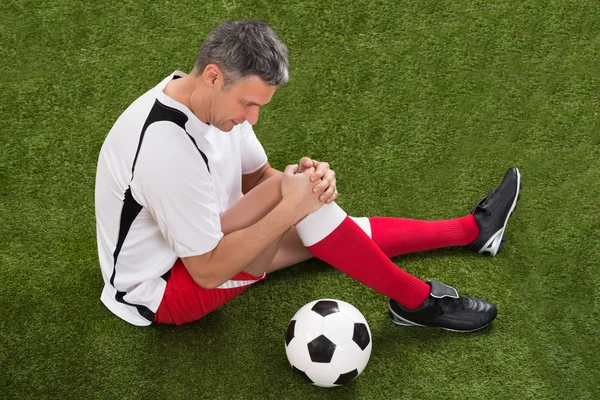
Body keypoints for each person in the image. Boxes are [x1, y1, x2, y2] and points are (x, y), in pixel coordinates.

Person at [95, 20, 521, 331]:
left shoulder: (208, 101)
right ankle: (420, 300)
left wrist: (304, 184)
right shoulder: (166, 151)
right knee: (301, 206)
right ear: (212, 76)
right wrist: (289, 208)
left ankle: (469, 233)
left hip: (208, 236)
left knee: (308, 205)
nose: (253, 120)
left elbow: (259, 176)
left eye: (260, 106)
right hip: (167, 287)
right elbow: (206, 272)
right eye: (248, 104)